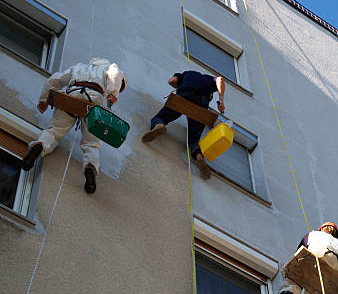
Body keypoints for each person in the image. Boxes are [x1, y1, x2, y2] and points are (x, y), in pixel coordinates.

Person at [21, 58, 128, 194]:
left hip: (72, 95)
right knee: (92, 143)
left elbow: (55, 79)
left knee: (55, 130)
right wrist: (113, 92)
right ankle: (91, 167)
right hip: (93, 101)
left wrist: (44, 99)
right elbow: (115, 73)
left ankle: (40, 145)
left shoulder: (79, 66)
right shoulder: (110, 68)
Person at [141, 71, 225, 180]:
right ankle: (198, 154)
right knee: (194, 138)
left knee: (161, 117)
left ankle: (158, 125)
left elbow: (171, 81)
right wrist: (221, 101)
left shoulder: (186, 74)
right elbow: (220, 79)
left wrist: (180, 86)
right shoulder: (209, 80)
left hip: (185, 94)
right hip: (201, 104)